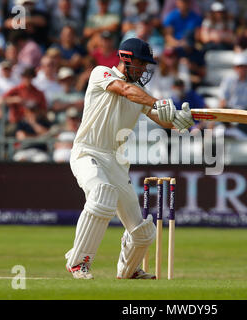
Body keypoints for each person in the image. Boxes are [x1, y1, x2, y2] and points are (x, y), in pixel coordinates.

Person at [65, 38, 194, 279]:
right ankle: (78, 262)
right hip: (87, 152)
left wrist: (180, 120)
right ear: (126, 58)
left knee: (143, 231)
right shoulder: (101, 73)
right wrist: (159, 102)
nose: (145, 69)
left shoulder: (141, 94)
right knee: (102, 193)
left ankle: (129, 270)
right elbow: (125, 90)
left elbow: (162, 119)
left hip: (115, 160)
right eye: (142, 63)